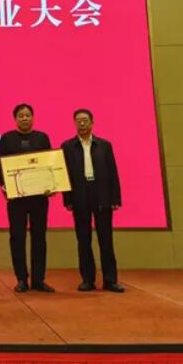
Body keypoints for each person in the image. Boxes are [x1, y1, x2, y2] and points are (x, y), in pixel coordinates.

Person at [61, 109, 124, 293]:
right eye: (78, 120)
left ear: (92, 122)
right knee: (83, 240)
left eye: (85, 120)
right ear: (74, 123)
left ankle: (110, 280)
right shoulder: (67, 146)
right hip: (79, 196)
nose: (82, 123)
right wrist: (67, 199)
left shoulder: (104, 145)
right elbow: (64, 175)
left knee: (106, 239)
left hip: (102, 195)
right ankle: (87, 280)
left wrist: (115, 198)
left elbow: (113, 172)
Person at [0, 103, 55, 293]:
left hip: (39, 197)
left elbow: (51, 164)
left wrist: (52, 185)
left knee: (39, 237)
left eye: (27, 115)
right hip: (17, 199)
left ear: (33, 117)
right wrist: (5, 187)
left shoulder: (42, 138)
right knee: (17, 237)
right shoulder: (7, 139)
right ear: (15, 119)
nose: (24, 118)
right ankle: (21, 279)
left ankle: (38, 279)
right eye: (20, 116)